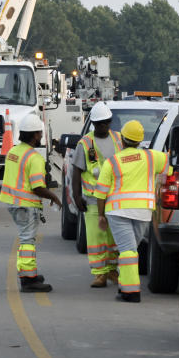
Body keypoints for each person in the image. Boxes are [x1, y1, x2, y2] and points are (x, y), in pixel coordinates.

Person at [93, 119, 170, 303]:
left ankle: (130, 292)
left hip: (118, 212)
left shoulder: (113, 162)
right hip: (143, 211)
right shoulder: (152, 157)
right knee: (130, 249)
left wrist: (101, 215)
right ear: (140, 140)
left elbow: (101, 193)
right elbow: (171, 165)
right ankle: (124, 284)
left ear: (122, 140)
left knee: (127, 251)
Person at [0, 113, 62, 292]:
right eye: (40, 133)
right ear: (34, 135)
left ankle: (29, 274)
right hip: (26, 205)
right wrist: (55, 197)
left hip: (13, 203)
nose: (41, 136)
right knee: (27, 241)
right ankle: (28, 280)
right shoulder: (34, 158)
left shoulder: (13, 152)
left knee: (25, 239)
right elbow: (37, 188)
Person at [71, 102, 123, 287]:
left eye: (106, 122)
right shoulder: (85, 143)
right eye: (99, 123)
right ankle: (99, 273)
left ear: (110, 122)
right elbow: (76, 171)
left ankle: (111, 270)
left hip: (114, 197)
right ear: (93, 123)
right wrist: (76, 196)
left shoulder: (119, 139)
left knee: (113, 237)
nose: (103, 126)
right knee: (95, 237)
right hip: (92, 199)